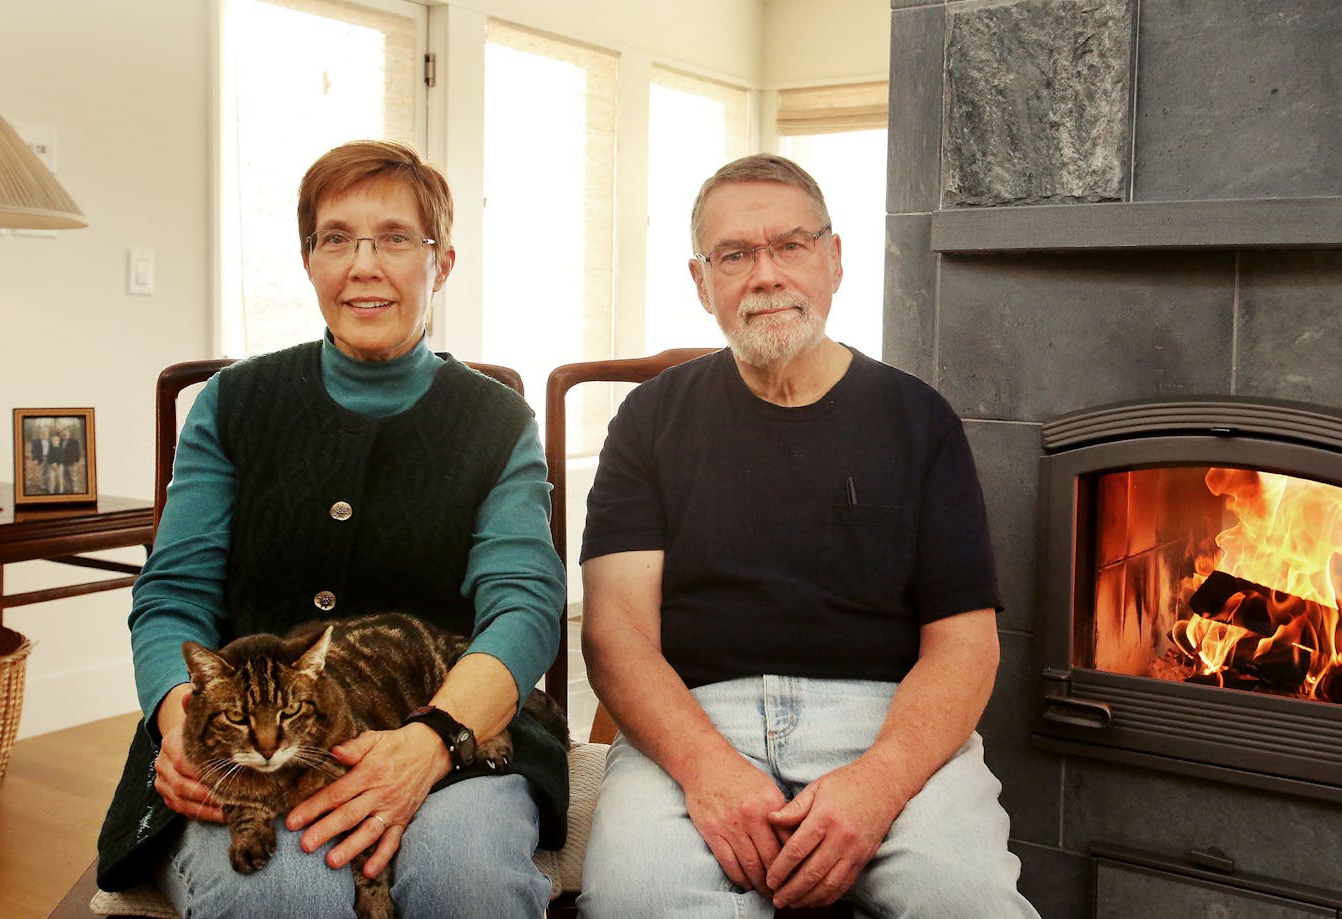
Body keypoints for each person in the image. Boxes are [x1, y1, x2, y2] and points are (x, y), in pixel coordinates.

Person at [96, 140, 568, 918]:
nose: (363, 264)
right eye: (336, 238)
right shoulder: (232, 404)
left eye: (394, 238)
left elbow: (522, 605)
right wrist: (181, 721)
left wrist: (433, 741)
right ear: (310, 259)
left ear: (440, 262)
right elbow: (173, 592)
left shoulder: (495, 420)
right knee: (281, 885)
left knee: (465, 878)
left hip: (447, 726)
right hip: (249, 738)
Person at [576, 154, 1039, 917]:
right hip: (694, 721)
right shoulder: (649, 421)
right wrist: (707, 771)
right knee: (639, 899)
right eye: (735, 255)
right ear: (701, 282)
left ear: (834, 259)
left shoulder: (919, 421)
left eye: (790, 244)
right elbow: (616, 633)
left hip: (887, 721)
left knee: (968, 901)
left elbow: (965, 643)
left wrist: (879, 782)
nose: (765, 274)